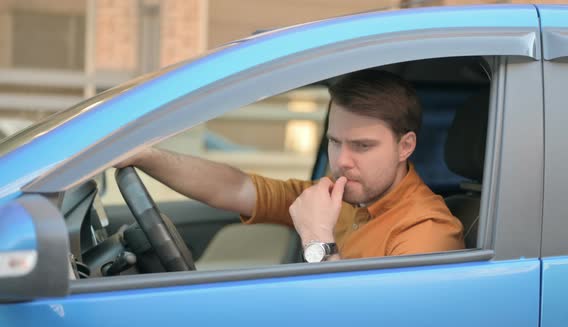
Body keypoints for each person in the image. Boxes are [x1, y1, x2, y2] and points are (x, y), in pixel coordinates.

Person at [116, 70, 465, 262]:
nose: (342, 161)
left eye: (363, 146)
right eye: (335, 142)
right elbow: (235, 188)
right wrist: (148, 157)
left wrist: (317, 239)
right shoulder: (339, 195)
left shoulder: (427, 231)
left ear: (405, 146)